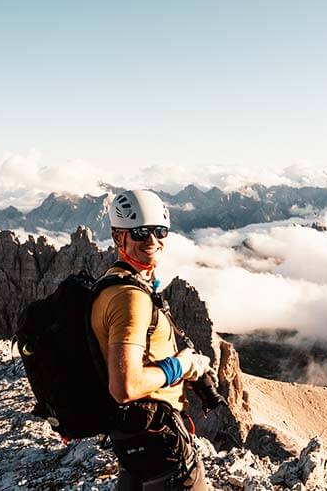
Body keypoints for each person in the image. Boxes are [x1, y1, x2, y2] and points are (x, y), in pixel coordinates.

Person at [92, 189, 213, 490]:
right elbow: (125, 386)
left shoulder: (114, 282)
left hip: (135, 439)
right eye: (140, 233)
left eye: (160, 231)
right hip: (160, 446)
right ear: (119, 237)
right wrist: (182, 365)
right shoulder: (130, 298)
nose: (152, 241)